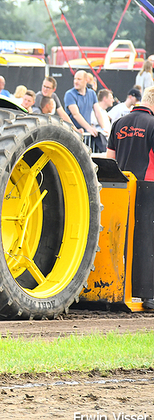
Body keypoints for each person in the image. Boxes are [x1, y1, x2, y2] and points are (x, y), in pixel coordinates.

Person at [106, 85, 154, 310]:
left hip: (121, 188)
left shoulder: (118, 123)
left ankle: (115, 288)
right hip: (148, 188)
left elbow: (109, 159)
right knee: (147, 242)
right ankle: (149, 295)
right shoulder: (153, 124)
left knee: (122, 241)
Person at [64, 70, 108, 137]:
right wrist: (89, 128)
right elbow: (75, 114)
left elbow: (98, 112)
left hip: (85, 135)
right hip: (72, 134)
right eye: (75, 79)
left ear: (86, 80)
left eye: (79, 79)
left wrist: (103, 128)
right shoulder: (69, 94)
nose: (76, 82)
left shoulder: (92, 93)